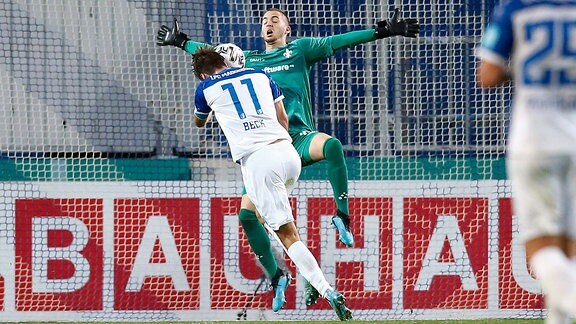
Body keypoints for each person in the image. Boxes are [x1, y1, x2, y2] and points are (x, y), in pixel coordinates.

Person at [157, 6, 419, 306]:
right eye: (264, 21)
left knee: (331, 146)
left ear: (287, 28)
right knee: (249, 216)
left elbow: (340, 40)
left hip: (295, 138)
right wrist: (182, 42)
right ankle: (289, 275)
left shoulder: (299, 50)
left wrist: (382, 31)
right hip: (272, 144)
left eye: (275, 20)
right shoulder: (250, 63)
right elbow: (216, 58)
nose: (268, 24)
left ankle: (342, 216)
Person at [191, 46, 353, 321]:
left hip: (259, 162)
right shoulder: (258, 74)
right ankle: (296, 273)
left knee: (286, 235)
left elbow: (199, 122)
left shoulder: (205, 87)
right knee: (251, 215)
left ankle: (326, 290)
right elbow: (283, 118)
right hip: (288, 154)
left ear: (204, 73)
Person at [476, 1, 576, 323]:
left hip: (534, 143)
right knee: (567, 251)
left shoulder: (515, 9)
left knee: (540, 250)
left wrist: (521, 70)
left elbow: (487, 75)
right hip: (573, 141)